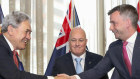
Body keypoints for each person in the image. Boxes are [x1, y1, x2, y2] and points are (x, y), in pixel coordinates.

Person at [58, 4, 140, 79]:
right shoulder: (114, 48)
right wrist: (73, 78)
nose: (110, 28)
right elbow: (98, 71)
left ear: (127, 23)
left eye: (114, 23)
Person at [0, 11, 62, 79]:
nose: (29, 37)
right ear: (11, 30)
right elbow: (15, 76)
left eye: (29, 33)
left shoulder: (12, 52)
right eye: (27, 32)